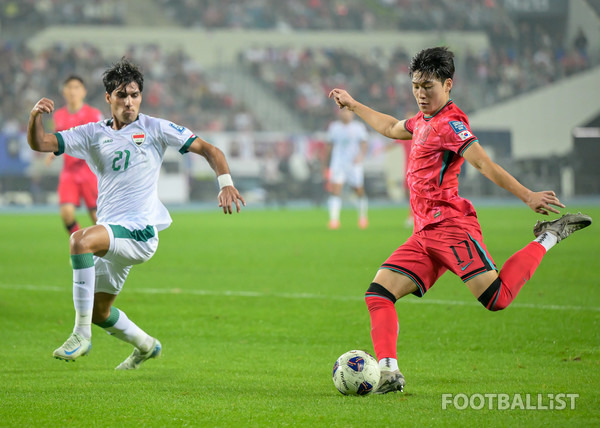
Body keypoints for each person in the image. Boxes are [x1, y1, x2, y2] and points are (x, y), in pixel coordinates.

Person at [329, 47, 592, 394]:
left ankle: (549, 236)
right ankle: (390, 374)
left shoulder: (452, 124)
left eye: (428, 87)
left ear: (448, 84)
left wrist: (527, 195)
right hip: (424, 233)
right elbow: (392, 127)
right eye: (416, 86)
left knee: (496, 298)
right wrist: (354, 104)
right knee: (378, 294)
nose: (421, 94)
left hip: (451, 227)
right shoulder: (422, 121)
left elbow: (483, 163)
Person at [27, 58, 245, 370]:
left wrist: (225, 184)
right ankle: (145, 345)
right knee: (102, 312)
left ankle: (80, 334)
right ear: (108, 98)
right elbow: (42, 142)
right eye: (121, 95)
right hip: (114, 233)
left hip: (140, 232)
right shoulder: (92, 134)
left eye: (134, 95)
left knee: (79, 241)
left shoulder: (156, 128)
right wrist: (35, 116)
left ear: (141, 96)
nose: (129, 102)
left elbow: (212, 151)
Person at [46, 75, 103, 234]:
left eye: (76, 87)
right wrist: (52, 152)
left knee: (97, 217)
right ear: (64, 91)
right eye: (69, 87)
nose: (73, 91)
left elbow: (103, 138)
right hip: (69, 172)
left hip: (89, 170)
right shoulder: (59, 115)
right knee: (66, 213)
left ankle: (106, 253)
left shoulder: (93, 114)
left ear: (83, 92)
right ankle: (80, 244)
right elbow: (58, 137)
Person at [325, 108, 369, 229]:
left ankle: (362, 217)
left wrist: (360, 156)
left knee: (359, 190)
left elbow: (364, 144)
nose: (346, 114)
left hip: (354, 164)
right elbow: (329, 146)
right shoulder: (334, 127)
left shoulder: (358, 127)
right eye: (343, 112)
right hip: (338, 163)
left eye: (348, 112)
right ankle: (334, 220)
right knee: (335, 190)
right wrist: (325, 164)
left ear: (352, 114)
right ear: (339, 114)